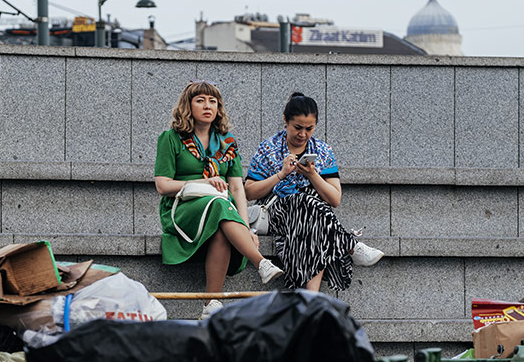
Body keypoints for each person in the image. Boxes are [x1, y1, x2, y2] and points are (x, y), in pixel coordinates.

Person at [155, 81, 283, 319]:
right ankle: (261, 262)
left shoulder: (227, 142)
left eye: (212, 101)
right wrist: (203, 183)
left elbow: (236, 187)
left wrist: (245, 228)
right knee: (220, 205)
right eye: (200, 100)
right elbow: (163, 185)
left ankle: (211, 304)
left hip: (220, 208)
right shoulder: (170, 138)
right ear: (188, 105)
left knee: (222, 222)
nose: (207, 106)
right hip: (181, 208)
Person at [244, 93, 384, 292]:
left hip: (313, 217)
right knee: (305, 203)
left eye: (309, 129)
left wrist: (313, 175)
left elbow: (335, 199)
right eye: (298, 128)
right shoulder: (268, 148)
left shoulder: (322, 150)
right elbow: (249, 192)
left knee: (311, 217)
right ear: (286, 120)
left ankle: (310, 298)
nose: (303, 134)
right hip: (277, 212)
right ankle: (349, 244)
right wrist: (281, 174)